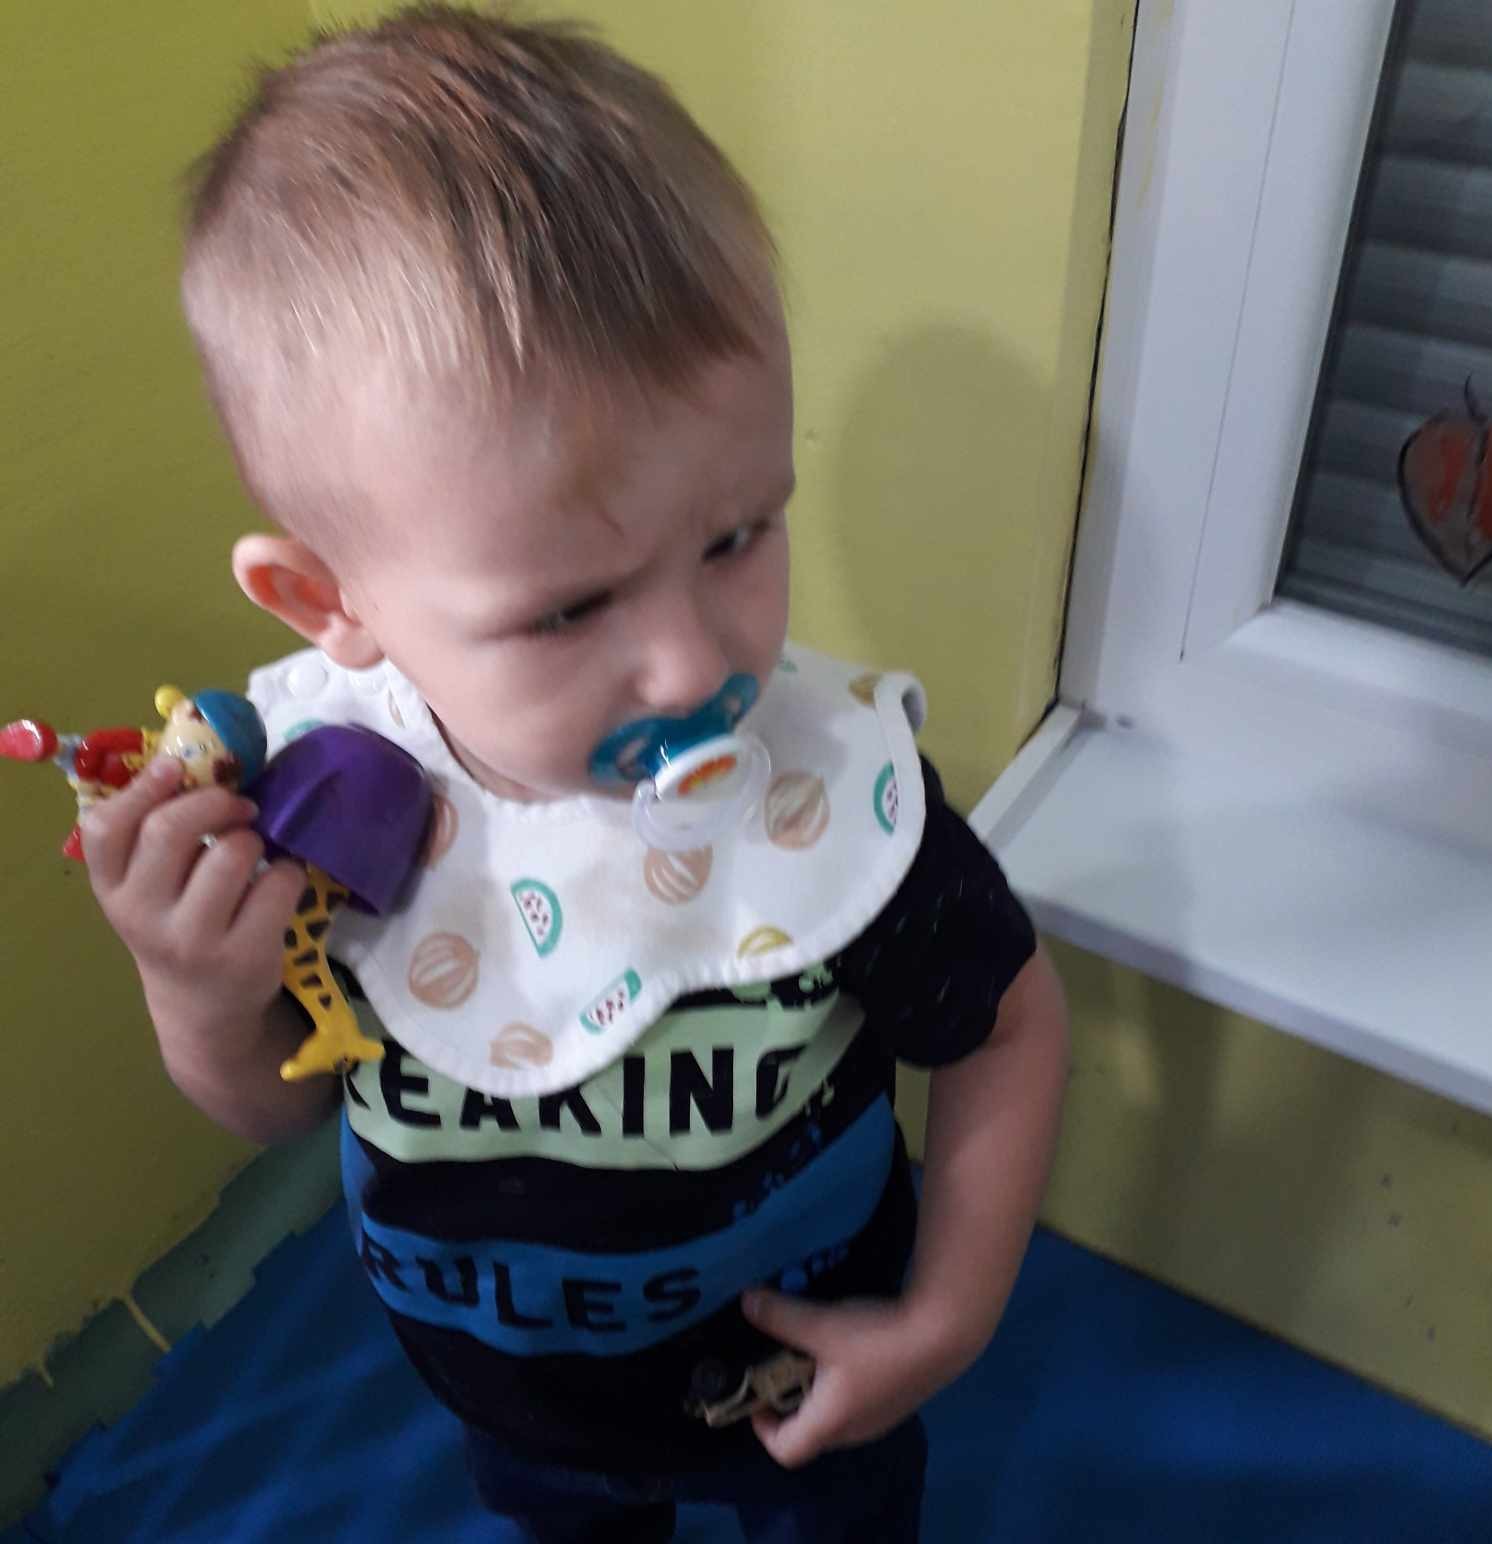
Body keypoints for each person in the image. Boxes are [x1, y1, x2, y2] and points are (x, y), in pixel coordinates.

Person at [80, 8, 1068, 1540]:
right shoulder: (320, 814)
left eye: (737, 536)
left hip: (821, 1382)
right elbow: (283, 1106)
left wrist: (943, 1321)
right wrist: (197, 994)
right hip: (518, 1409)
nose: (691, 666)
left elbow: (1004, 1023)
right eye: (567, 610)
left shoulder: (823, 796)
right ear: (329, 604)